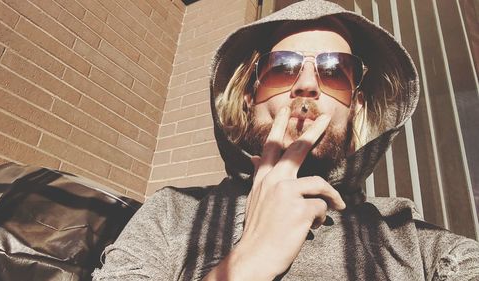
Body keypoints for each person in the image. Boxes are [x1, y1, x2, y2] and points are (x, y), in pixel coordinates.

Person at [92, 0, 479, 280]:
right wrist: (248, 262)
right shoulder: (172, 213)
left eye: (334, 71)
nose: (307, 85)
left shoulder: (407, 232)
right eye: (283, 68)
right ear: (250, 98)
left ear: (356, 106)